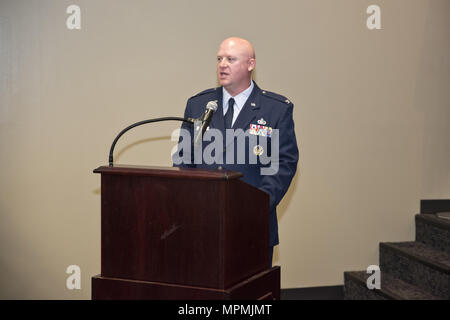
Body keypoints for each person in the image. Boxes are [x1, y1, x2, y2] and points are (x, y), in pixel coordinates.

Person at [173, 37, 299, 266]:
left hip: (252, 225)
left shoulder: (275, 109)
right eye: (219, 58)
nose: (222, 64)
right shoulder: (199, 105)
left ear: (250, 64)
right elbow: (184, 158)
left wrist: (256, 207)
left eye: (230, 59)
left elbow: (283, 164)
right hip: (201, 223)